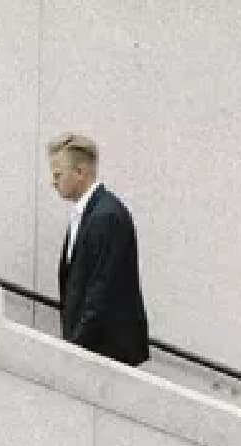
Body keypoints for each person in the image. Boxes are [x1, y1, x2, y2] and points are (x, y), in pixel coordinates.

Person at [47, 133, 150, 366]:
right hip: (95, 349)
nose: (53, 182)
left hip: (106, 352)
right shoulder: (89, 214)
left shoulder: (106, 217)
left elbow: (101, 290)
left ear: (80, 173)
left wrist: (75, 347)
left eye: (58, 175)